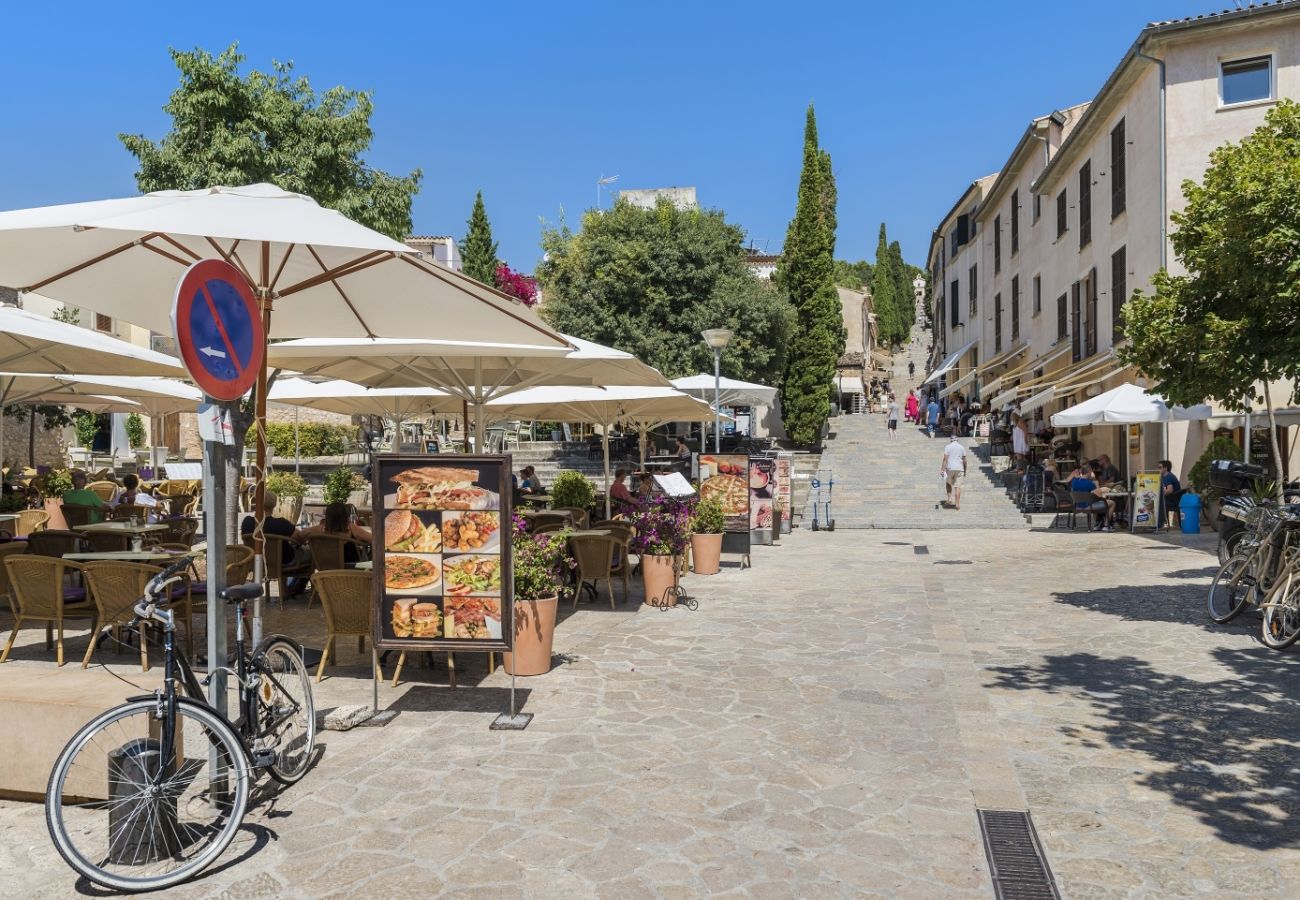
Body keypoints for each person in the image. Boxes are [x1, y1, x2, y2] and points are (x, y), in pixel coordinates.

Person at [241, 491, 306, 570]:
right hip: (283, 562)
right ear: (274, 505)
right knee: (310, 554)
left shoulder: (247, 522)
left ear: (256, 502)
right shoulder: (281, 524)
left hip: (255, 561)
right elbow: (300, 537)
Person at [298, 502, 372, 567]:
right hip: (352, 568)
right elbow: (373, 540)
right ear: (346, 516)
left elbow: (300, 535)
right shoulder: (351, 528)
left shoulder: (320, 529)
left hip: (326, 568)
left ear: (327, 517)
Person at [940, 435, 968, 510]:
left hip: (950, 468)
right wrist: (965, 469)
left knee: (948, 483)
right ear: (957, 440)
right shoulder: (962, 447)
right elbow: (964, 460)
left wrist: (942, 469)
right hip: (959, 468)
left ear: (951, 440)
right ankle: (957, 504)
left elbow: (945, 459)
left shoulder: (947, 447)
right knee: (957, 487)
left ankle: (949, 499)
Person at [1159, 459, 1182, 528]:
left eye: (1160, 467)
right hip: (1170, 499)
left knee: (1156, 503)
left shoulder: (1169, 477)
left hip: (1173, 500)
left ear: (1166, 468)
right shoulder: (1163, 476)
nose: (1158, 469)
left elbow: (1169, 490)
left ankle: (1160, 523)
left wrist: (1160, 496)